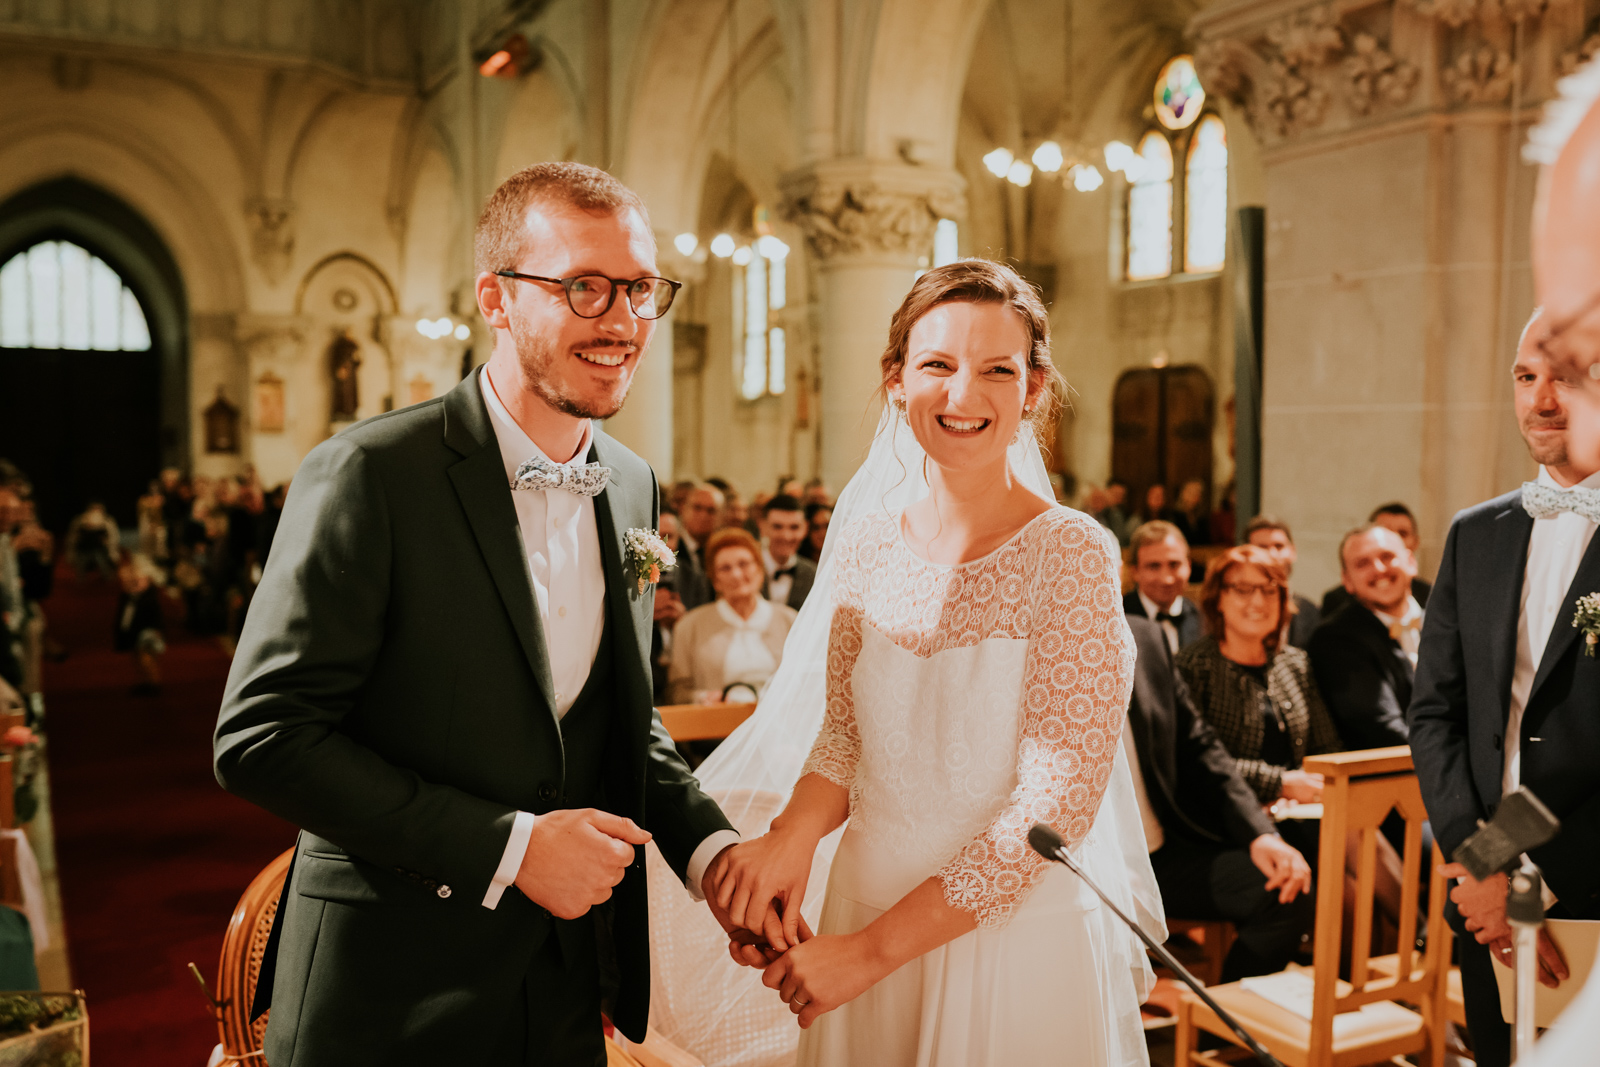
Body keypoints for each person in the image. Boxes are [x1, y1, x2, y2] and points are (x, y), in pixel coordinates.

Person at [214, 162, 743, 1065]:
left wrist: (714, 852)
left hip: (565, 988)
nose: (621, 320)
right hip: (390, 992)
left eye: (641, 289)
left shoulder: (630, 483)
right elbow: (263, 737)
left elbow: (617, 716)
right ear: (496, 299)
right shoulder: (373, 473)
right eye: (584, 287)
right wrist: (510, 846)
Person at [700, 260, 1158, 1066]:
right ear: (895, 380)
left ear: (1034, 388)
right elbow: (845, 736)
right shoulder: (869, 545)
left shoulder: (1072, 552)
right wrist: (792, 839)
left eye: (997, 369)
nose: (963, 394)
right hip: (859, 901)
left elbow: (1054, 806)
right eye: (937, 364)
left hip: (1006, 938)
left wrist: (871, 951)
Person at [1409, 307, 1595, 1067]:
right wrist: (1482, 868)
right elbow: (1434, 712)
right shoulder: (1475, 532)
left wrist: (1540, 881)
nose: (1541, 400)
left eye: (1569, 378)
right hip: (1485, 893)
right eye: (1525, 376)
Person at [1123, 615, 1315, 983]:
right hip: (1073, 862)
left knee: (1285, 892)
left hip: (1158, 854)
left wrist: (1261, 835)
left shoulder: (1144, 635)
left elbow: (1200, 745)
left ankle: (1218, 1029)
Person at [1307, 524, 1420, 750]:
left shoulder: (1450, 620)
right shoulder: (1334, 639)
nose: (1378, 569)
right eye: (1362, 563)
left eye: (1387, 556)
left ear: (1410, 561)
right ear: (1347, 580)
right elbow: (1382, 729)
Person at [667, 528, 798, 705]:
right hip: (717, 726)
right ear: (715, 581)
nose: (736, 575)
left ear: (760, 570)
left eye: (744, 564)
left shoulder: (790, 620)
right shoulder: (689, 626)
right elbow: (677, 692)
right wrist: (702, 698)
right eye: (725, 568)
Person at [1320, 502, 1432, 617]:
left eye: (1402, 533)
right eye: (1385, 530)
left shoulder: (1434, 597)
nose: (1379, 569)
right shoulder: (1337, 617)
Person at [1123, 520, 1204, 653]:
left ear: (1188, 567)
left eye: (1174, 564)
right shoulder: (1117, 621)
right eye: (1154, 566)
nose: (1167, 579)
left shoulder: (1204, 621)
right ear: (1135, 572)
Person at [1244, 515, 1321, 648]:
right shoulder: (1236, 607)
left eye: (1279, 546)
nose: (1272, 555)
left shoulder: (1310, 611)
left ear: (1293, 551)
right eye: (1262, 547)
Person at [114, 553, 165, 697]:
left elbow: (156, 615)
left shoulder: (148, 596)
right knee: (138, 657)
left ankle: (154, 683)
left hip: (147, 631)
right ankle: (146, 681)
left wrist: (157, 629)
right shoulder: (129, 595)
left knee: (147, 657)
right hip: (134, 631)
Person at [651, 508, 687, 702]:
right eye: (656, 536)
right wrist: (645, 613)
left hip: (682, 670)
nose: (663, 545)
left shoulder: (693, 576)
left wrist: (684, 620)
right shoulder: (629, 576)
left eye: (669, 537)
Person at [759, 494, 815, 610]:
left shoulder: (813, 575)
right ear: (763, 526)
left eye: (794, 527)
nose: (786, 536)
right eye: (777, 527)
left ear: (805, 528)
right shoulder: (744, 570)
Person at [677, 483, 720, 608]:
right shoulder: (670, 547)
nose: (703, 515)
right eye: (697, 508)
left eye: (711, 511)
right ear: (684, 508)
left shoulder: (719, 551)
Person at [64, 501, 119, 580]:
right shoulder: (79, 521)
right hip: (83, 548)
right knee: (81, 566)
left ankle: (108, 578)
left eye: (99, 510)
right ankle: (80, 582)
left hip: (99, 549)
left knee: (103, 564)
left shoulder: (108, 522)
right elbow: (72, 538)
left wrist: (113, 553)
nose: (96, 513)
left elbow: (113, 538)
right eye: (94, 509)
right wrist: (70, 555)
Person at [1170, 478, 1209, 546]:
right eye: (1191, 492)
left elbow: (1205, 542)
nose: (1195, 496)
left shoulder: (1201, 518)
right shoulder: (1173, 516)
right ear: (1182, 493)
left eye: (1198, 493)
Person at [1095, 479, 1135, 546]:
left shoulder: (1120, 514)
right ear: (1106, 492)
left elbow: (1121, 540)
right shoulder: (1097, 511)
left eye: (1121, 496)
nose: (1118, 499)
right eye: (1115, 494)